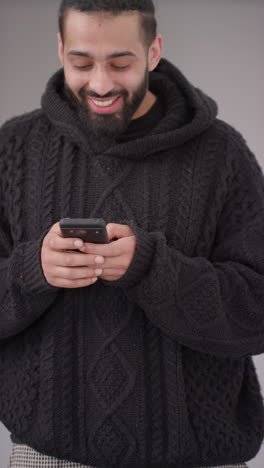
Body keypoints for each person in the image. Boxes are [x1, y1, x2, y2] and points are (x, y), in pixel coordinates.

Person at [1, 0, 264, 467]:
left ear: (154, 51)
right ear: (60, 49)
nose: (100, 84)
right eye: (81, 63)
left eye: (121, 63)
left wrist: (154, 270)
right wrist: (33, 271)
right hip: (48, 457)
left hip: (197, 459)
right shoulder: (15, 151)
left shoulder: (222, 156)